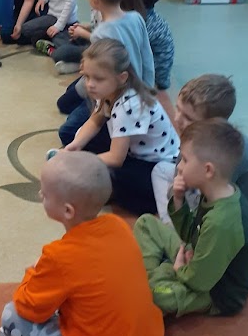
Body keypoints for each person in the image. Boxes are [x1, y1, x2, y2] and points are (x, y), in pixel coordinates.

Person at [0, 152, 164, 336]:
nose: (40, 194)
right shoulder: (118, 225)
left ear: (68, 211)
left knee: (10, 316)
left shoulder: (58, 256)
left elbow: (27, 307)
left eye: (45, 193)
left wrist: (33, 271)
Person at [134, 119, 248, 317]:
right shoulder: (216, 191)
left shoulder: (222, 221)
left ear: (208, 170)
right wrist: (178, 200)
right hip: (195, 258)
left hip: (216, 292)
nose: (179, 167)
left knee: (155, 294)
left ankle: (155, 278)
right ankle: (156, 277)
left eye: (184, 159)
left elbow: (200, 281)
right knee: (146, 223)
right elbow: (190, 234)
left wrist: (178, 269)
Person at [63, 38, 179, 215]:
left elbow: (116, 158)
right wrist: (76, 145)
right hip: (133, 150)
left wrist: (83, 162)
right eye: (86, 76)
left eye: (98, 78)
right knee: (81, 140)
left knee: (121, 183)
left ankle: (153, 195)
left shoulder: (129, 105)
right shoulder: (107, 90)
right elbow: (95, 120)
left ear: (122, 78)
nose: (90, 84)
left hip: (158, 164)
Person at [152, 74, 248, 236]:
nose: (177, 119)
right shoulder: (202, 137)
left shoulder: (224, 153)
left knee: (184, 195)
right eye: (178, 109)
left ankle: (178, 235)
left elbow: (216, 203)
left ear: (213, 123)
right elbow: (180, 173)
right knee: (160, 170)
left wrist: (179, 197)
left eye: (188, 117)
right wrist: (177, 193)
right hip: (215, 195)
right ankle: (172, 226)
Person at [58, 0, 155, 150]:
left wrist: (99, 113)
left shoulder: (101, 34)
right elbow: (147, 58)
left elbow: (102, 80)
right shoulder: (136, 18)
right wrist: (148, 92)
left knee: (68, 131)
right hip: (138, 92)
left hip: (116, 100)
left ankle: (114, 143)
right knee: (72, 100)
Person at [137, 0, 175, 125]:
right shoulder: (145, 15)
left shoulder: (146, 22)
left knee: (158, 96)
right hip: (156, 61)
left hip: (159, 68)